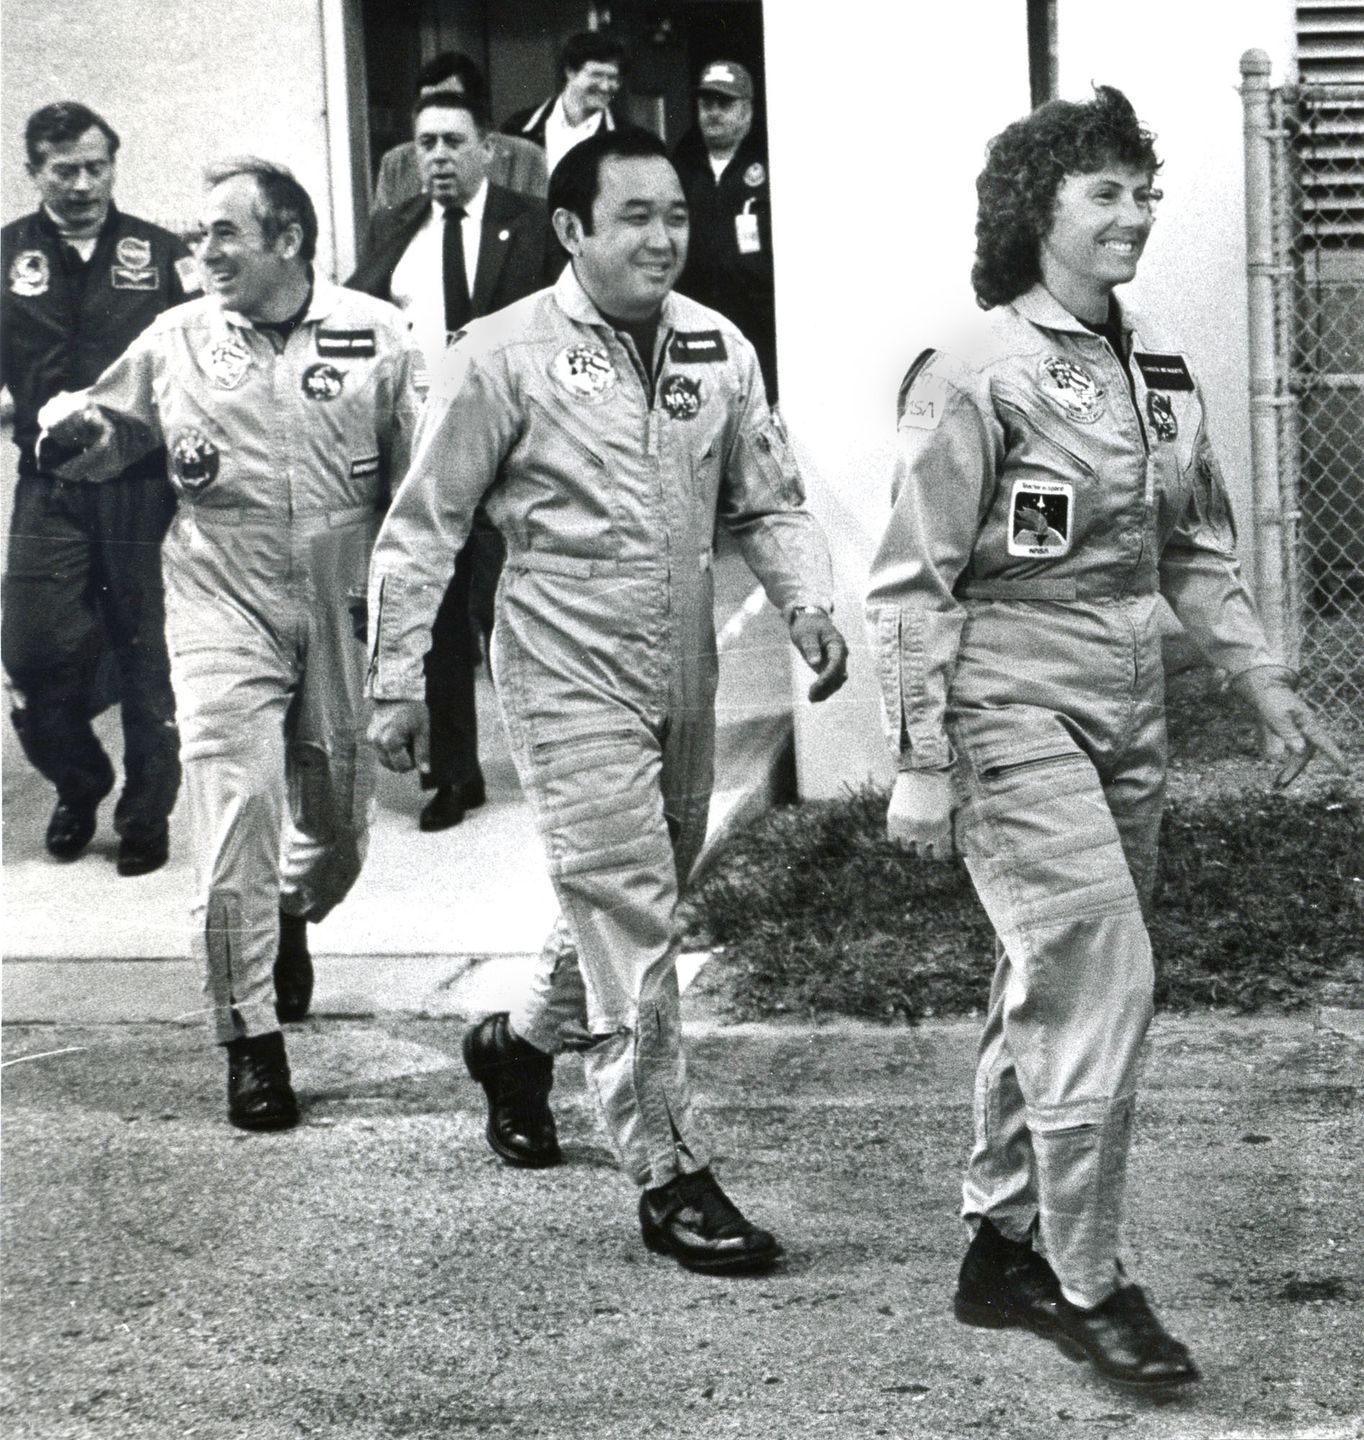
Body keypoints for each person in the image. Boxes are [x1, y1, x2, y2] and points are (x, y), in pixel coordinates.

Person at [866, 86, 1347, 1389]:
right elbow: (913, 584)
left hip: (1126, 698)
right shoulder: (968, 368)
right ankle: (1087, 1280)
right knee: (1097, 968)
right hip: (1005, 694)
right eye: (1105, 192)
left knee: (1051, 972)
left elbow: (1192, 545)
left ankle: (1000, 1241)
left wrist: (1260, 681)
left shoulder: (1160, 368)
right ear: (1037, 210)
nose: (1134, 215)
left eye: (1145, 193)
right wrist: (919, 761)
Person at [367, 127, 849, 1273]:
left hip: (680, 662)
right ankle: (669, 1172)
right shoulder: (499, 355)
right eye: (634, 216)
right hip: (562, 665)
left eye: (674, 214)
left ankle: (518, 1046)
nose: (662, 237)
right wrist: (394, 680)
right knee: (630, 909)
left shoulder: (717, 346)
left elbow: (765, 498)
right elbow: (422, 528)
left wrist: (805, 602)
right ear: (571, 229)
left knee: (635, 896)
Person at [37, 159, 422, 1132]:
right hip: (220, 589)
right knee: (237, 809)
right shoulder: (176, 339)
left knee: (336, 830)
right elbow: (110, 435)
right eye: (196, 233)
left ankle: (290, 911)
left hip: (341, 590)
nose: (201, 251)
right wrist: (71, 437)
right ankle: (248, 1038)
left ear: (286, 239)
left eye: (222, 233)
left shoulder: (377, 333)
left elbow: (422, 496)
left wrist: (409, 644)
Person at [349, 90, 554, 830]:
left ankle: (563, 754)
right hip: (426, 445)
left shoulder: (533, 226)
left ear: (487, 150)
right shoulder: (394, 229)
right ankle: (453, 774)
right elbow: (359, 317)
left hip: (517, 446)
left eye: (453, 141)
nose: (437, 156)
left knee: (525, 605)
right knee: (431, 614)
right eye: (426, 143)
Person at [1, 102, 196, 876]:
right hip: (49, 484)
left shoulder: (163, 253)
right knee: (31, 650)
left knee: (151, 656)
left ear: (113, 166)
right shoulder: (7, 255)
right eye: (64, 171)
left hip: (141, 485)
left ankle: (147, 813)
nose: (82, 185)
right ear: (34, 172)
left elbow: (203, 354)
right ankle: (79, 781)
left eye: (95, 167)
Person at [671, 60, 777, 401]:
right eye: (706, 104)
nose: (713, 113)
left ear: (747, 111)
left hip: (759, 327)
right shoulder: (679, 167)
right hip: (693, 321)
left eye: (724, 103)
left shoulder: (773, 163)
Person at [371, 52, 548, 211]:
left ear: (478, 109)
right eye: (427, 104)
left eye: (449, 103)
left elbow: (539, 228)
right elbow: (384, 233)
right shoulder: (396, 164)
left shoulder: (526, 159)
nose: (437, 113)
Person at [502, 30, 625, 176]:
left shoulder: (625, 138)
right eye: (596, 75)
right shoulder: (518, 127)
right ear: (570, 72)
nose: (605, 86)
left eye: (613, 78)